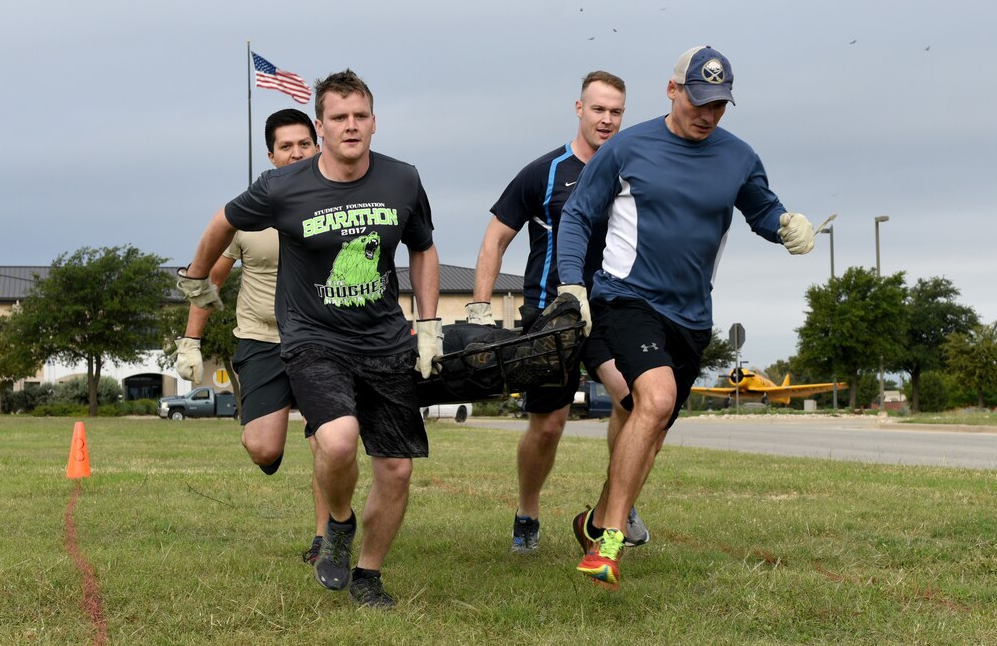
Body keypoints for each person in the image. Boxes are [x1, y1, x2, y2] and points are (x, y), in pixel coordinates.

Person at [176, 70, 442, 609]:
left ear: (373, 121)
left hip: (385, 339)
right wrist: (196, 278)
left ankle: (368, 575)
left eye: (360, 116)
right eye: (339, 118)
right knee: (339, 439)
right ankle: (338, 524)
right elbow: (222, 222)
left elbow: (422, 248)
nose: (351, 127)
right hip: (313, 337)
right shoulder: (282, 187)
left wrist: (430, 322)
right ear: (322, 126)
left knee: (396, 468)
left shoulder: (403, 179)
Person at [557, 46, 817, 589]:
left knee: (646, 430)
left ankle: (593, 520)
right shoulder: (628, 147)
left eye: (719, 105)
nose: (708, 114)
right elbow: (579, 212)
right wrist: (571, 286)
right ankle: (609, 543)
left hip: (692, 317)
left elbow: (760, 208)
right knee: (655, 401)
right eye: (699, 101)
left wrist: (786, 225)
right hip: (627, 299)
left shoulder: (738, 156)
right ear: (673, 91)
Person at [466, 71, 650, 553]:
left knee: (636, 403)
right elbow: (495, 237)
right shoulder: (545, 172)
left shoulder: (634, 171)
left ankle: (617, 502)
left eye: (616, 112)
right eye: (598, 110)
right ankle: (527, 511)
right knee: (548, 425)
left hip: (613, 310)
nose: (607, 120)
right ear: (579, 109)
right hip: (553, 314)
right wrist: (481, 309)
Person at [175, 108, 331, 564]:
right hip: (261, 339)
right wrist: (191, 342)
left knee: (326, 441)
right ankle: (272, 447)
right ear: (271, 154)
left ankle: (327, 537)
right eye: (287, 146)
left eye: (305, 144)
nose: (297, 153)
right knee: (263, 447)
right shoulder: (247, 213)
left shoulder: (338, 205)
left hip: (321, 339)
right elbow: (210, 281)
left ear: (317, 146)